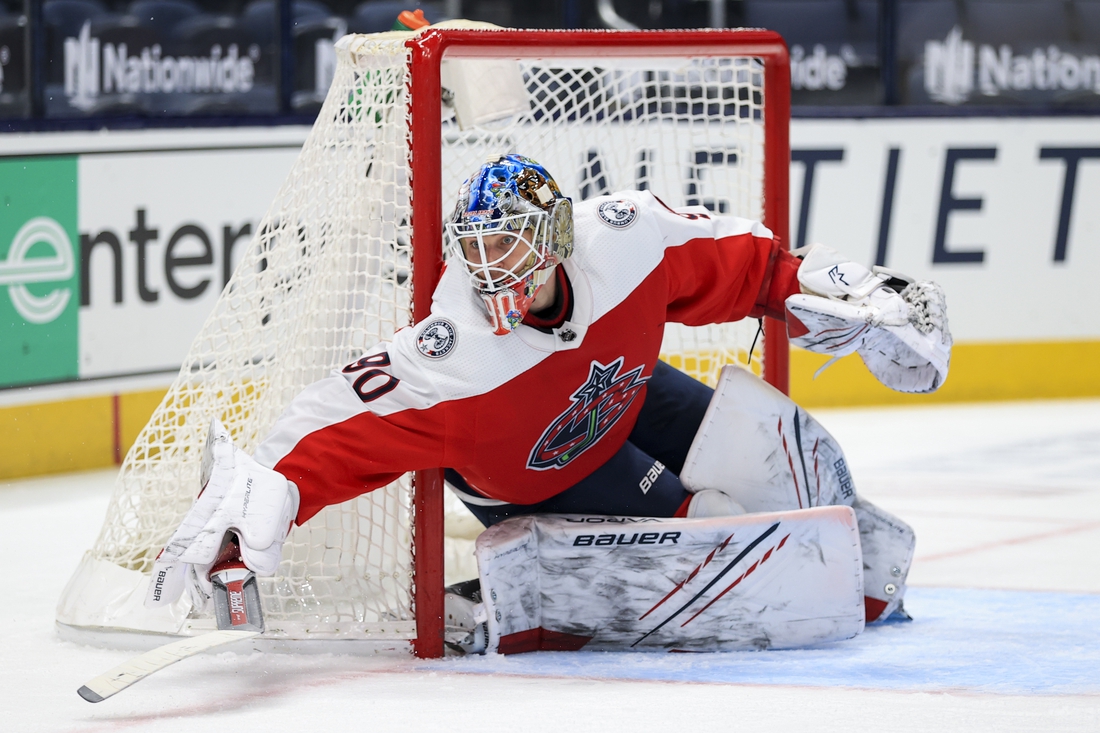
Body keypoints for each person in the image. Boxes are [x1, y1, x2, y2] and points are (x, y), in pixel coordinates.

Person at [146, 154, 951, 649]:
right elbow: (338, 422)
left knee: (782, 447)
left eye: (509, 242)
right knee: (709, 534)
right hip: (539, 470)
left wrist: (844, 289)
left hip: (618, 393)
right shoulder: (453, 353)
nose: (492, 266)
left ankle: (854, 564)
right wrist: (273, 489)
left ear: (558, 233)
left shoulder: (628, 235)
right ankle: (523, 591)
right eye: (478, 247)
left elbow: (748, 263)